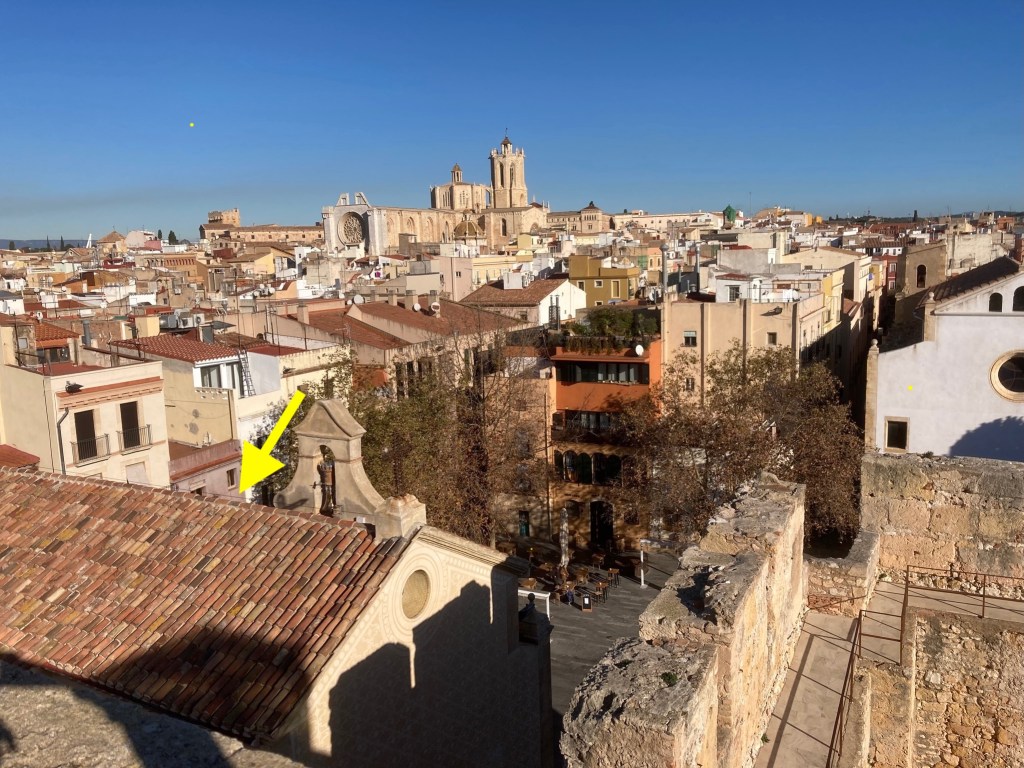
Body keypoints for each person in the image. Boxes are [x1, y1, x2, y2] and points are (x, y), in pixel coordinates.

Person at [316, 444, 336, 517]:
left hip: (330, 484)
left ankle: (329, 506)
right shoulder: (324, 466)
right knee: (328, 491)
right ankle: (327, 506)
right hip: (327, 484)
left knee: (330, 492)